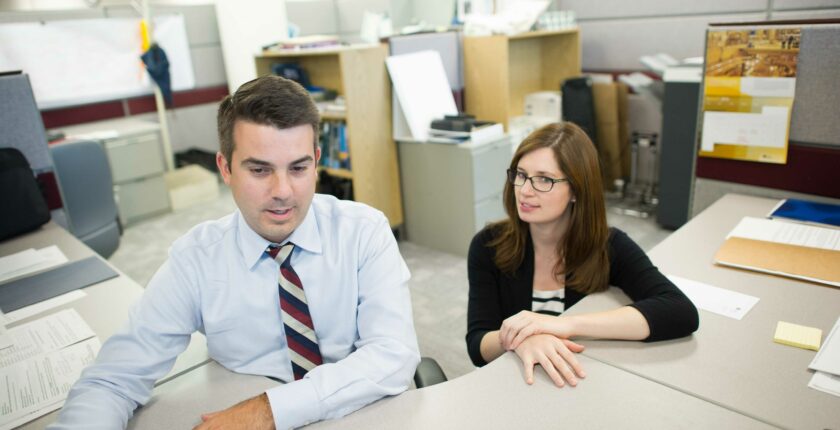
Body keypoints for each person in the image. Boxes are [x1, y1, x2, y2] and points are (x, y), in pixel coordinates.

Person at [50, 76, 420, 429]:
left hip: (360, 412)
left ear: (316, 160)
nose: (283, 191)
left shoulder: (363, 232)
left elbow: (393, 355)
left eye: (299, 168)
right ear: (225, 168)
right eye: (260, 170)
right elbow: (114, 379)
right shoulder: (197, 260)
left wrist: (271, 411)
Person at [466, 122, 698, 387]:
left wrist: (565, 325)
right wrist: (521, 338)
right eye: (521, 174)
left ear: (576, 190)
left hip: (578, 382)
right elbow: (477, 344)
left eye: (544, 179)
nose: (525, 190)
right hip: (513, 383)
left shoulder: (608, 245)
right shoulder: (488, 245)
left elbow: (680, 311)